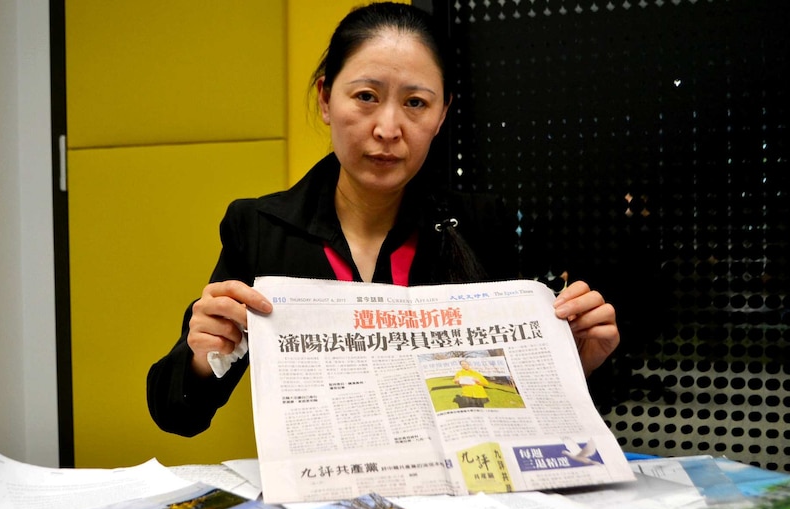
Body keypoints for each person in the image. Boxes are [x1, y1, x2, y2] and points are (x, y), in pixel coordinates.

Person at [147, 2, 620, 438]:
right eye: (367, 96)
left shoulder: (484, 224)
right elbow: (177, 415)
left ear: (442, 114)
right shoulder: (260, 226)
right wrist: (202, 357)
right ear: (326, 99)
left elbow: (535, 414)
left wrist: (576, 365)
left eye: (416, 103)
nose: (388, 129)